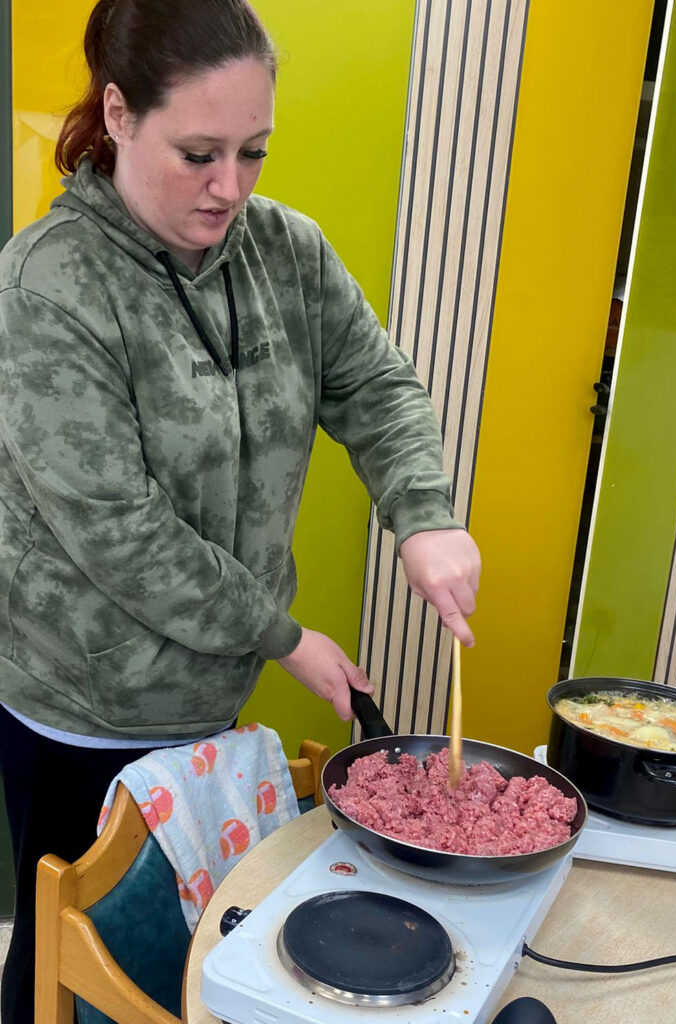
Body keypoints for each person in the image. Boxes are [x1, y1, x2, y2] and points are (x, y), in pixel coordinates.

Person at [0, 0, 481, 1019]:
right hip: (79, 702)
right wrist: (283, 635)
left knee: (191, 931)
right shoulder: (48, 288)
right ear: (121, 114)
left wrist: (425, 513)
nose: (230, 187)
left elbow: (376, 386)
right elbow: (119, 534)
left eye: (253, 152)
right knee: (78, 956)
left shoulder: (284, 252)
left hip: (208, 687)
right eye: (199, 153)